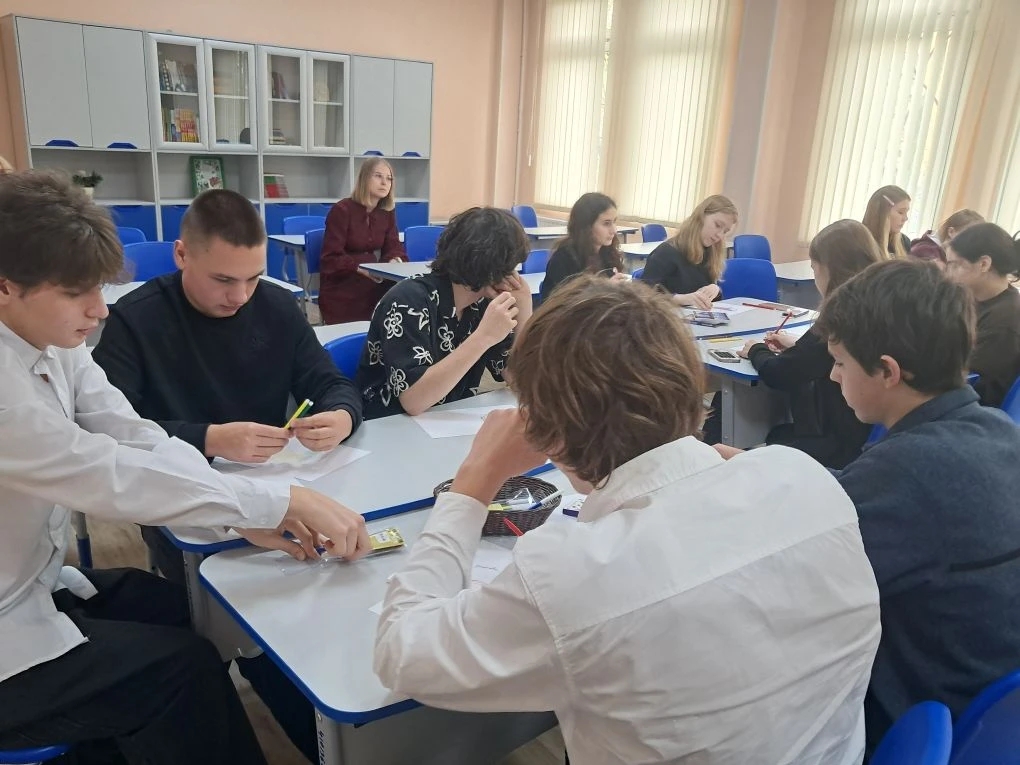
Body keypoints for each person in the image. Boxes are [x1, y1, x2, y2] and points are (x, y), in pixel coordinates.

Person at [374, 275, 881, 764]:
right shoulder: (807, 478)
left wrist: (474, 481)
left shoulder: (571, 576)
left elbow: (400, 653)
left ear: (547, 435)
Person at [0, 170, 371, 764]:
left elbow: (133, 434)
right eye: (75, 293)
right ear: (5, 287)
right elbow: (104, 473)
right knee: (184, 671)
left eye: (98, 288)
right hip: (8, 625)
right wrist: (279, 501)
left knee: (194, 613)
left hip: (31, 587)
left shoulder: (55, 344)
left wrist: (240, 514)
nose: (98, 309)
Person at [744, 259, 1020, 752]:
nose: (833, 376)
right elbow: (861, 496)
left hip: (911, 707)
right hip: (987, 698)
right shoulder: (998, 430)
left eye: (840, 363)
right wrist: (767, 467)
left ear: (888, 371)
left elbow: (789, 577)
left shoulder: (908, 470)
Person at [356, 207, 532, 419]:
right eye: (510, 266)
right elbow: (414, 401)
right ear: (488, 267)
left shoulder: (483, 303)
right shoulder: (408, 301)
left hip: (445, 422)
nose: (513, 274)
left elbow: (520, 381)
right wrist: (484, 337)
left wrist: (524, 312)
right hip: (387, 423)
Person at [734, 220, 880, 468]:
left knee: (776, 436)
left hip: (835, 444)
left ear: (829, 268)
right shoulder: (874, 306)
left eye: (815, 268)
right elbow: (817, 355)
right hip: (860, 434)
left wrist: (756, 350)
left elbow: (780, 372)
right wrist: (797, 346)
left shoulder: (840, 317)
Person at [318, 158, 406, 324]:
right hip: (343, 283)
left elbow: (394, 246)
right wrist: (361, 269)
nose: (384, 183)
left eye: (389, 179)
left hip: (374, 280)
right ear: (365, 178)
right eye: (378, 176)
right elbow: (330, 257)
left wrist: (394, 260)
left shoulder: (386, 212)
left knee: (401, 297)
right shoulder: (342, 210)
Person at [943, 222, 1020, 406]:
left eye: (955, 265)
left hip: (970, 409)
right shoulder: (977, 301)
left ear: (984, 264)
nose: (948, 274)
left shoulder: (1005, 321)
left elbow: (970, 384)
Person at [639, 194, 736, 308]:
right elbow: (643, 295)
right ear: (701, 217)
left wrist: (715, 290)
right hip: (667, 316)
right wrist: (680, 299)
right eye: (717, 225)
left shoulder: (709, 252)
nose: (720, 235)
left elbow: (705, 298)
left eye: (725, 231)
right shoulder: (665, 252)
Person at [539, 192, 628, 300]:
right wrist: (606, 289)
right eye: (606, 223)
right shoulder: (563, 259)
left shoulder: (608, 254)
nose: (614, 230)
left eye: (614, 222)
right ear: (587, 226)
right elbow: (566, 304)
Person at [909, 208, 984, 266]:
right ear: (951, 232)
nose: (973, 242)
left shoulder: (947, 253)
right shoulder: (926, 252)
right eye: (969, 235)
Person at [862, 185, 911, 258]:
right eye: (900, 212)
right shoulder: (861, 242)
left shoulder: (904, 242)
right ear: (882, 213)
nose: (905, 218)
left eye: (906, 213)